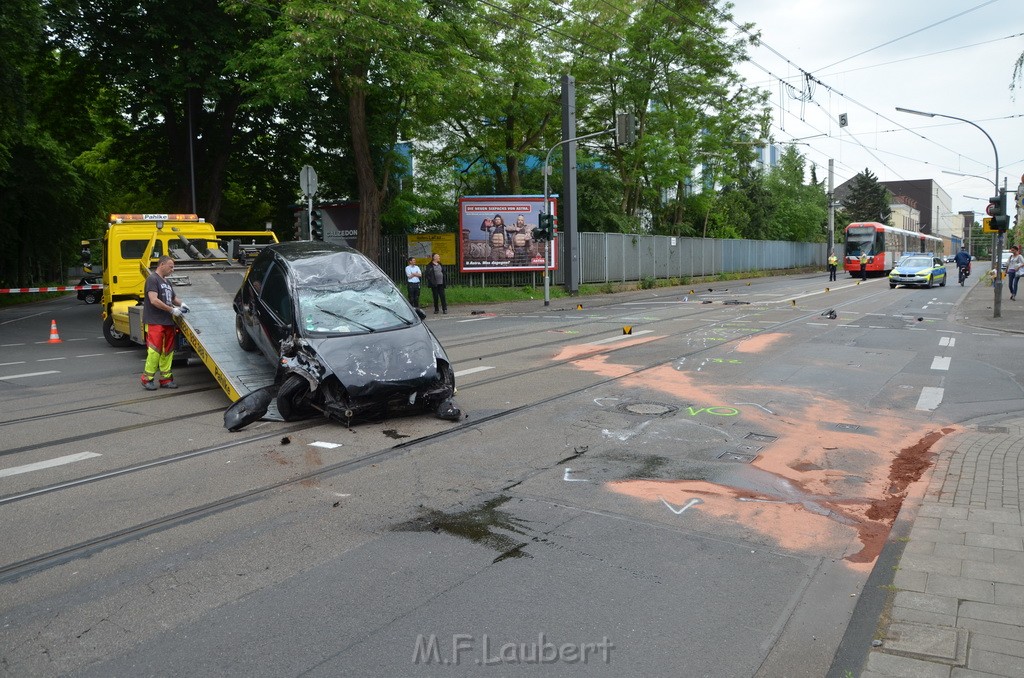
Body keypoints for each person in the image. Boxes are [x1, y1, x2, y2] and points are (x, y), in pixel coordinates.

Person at [141, 255, 187, 390]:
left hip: (167, 321)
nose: (173, 269)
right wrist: (172, 310)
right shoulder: (152, 279)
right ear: (162, 265)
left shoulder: (166, 282)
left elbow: (173, 298)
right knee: (154, 351)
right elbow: (153, 300)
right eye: (171, 266)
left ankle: (166, 379)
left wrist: (182, 304)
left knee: (168, 351)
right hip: (155, 321)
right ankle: (146, 379)